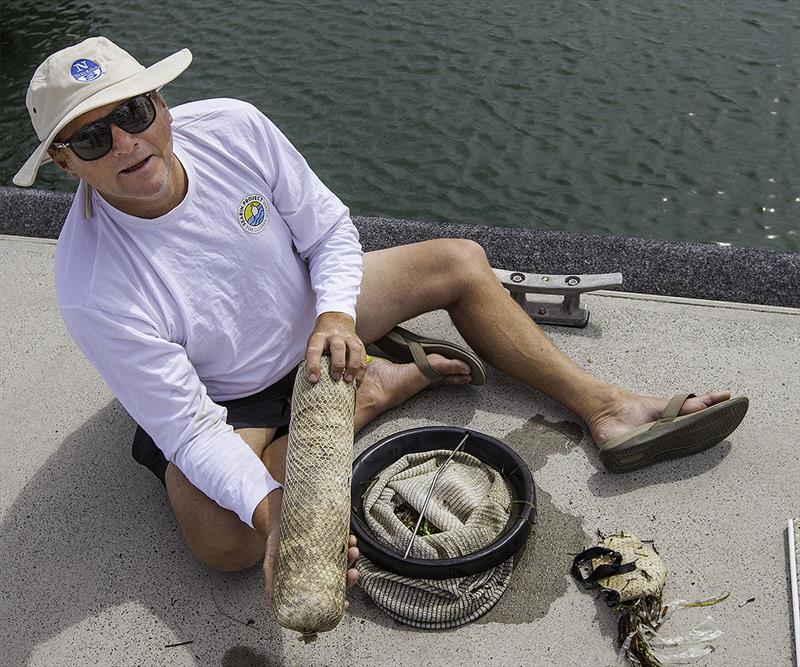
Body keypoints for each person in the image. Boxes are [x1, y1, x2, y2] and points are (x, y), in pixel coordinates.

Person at [15, 38, 747, 606]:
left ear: (163, 105)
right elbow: (189, 428)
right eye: (91, 139)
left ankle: (607, 407)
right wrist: (284, 524)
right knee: (221, 542)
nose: (126, 143)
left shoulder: (235, 126)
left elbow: (330, 230)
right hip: (225, 393)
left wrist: (335, 312)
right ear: (63, 165)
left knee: (459, 260)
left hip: (318, 318)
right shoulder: (92, 286)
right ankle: (373, 392)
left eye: (134, 114)